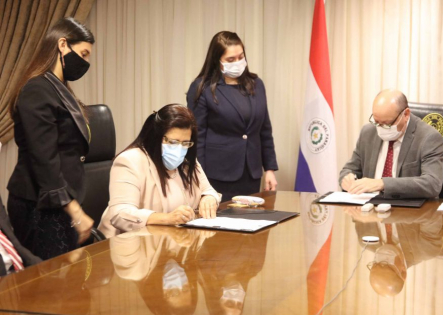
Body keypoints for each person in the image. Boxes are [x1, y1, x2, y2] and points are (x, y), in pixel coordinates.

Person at [6, 17, 95, 260]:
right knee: (49, 285)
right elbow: (44, 158)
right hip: (38, 205)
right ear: (63, 44)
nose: (86, 63)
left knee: (66, 283)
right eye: (84, 54)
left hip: (60, 201)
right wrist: (74, 210)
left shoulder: (58, 88)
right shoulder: (37, 89)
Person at [98, 104, 221, 238]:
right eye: (173, 142)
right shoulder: (130, 161)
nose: (180, 149)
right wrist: (167, 219)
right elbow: (120, 214)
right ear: (156, 137)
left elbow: (209, 190)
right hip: (130, 245)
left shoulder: (186, 161)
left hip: (173, 242)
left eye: (185, 143)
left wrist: (208, 198)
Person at [187, 31, 278, 202]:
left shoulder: (256, 85)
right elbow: (196, 136)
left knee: (251, 224)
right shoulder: (202, 88)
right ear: (217, 60)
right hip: (216, 175)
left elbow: (264, 129)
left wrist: (270, 169)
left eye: (240, 57)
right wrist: (199, 179)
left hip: (250, 173)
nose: (237, 62)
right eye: (230, 60)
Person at [339, 89, 443, 199]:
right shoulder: (368, 133)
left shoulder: (428, 137)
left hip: (408, 211)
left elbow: (432, 184)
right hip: (369, 209)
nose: (380, 128)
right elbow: (349, 169)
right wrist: (347, 178)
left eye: (387, 124)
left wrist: (382, 184)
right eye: (376, 122)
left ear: (406, 114)